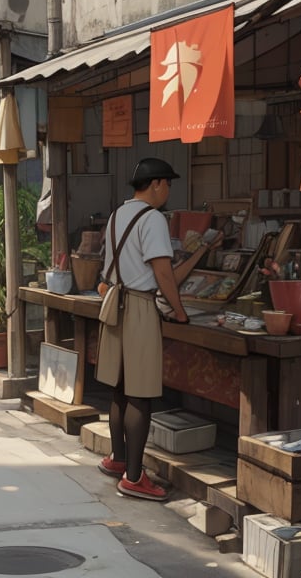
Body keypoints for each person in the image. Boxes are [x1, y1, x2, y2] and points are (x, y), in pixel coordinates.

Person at [96, 157, 189, 502]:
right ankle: (134, 477)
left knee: (120, 388)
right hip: (137, 305)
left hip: (114, 303)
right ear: (156, 185)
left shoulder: (117, 214)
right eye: (168, 184)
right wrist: (179, 311)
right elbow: (162, 271)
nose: (168, 191)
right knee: (141, 392)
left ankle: (119, 459)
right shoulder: (153, 219)